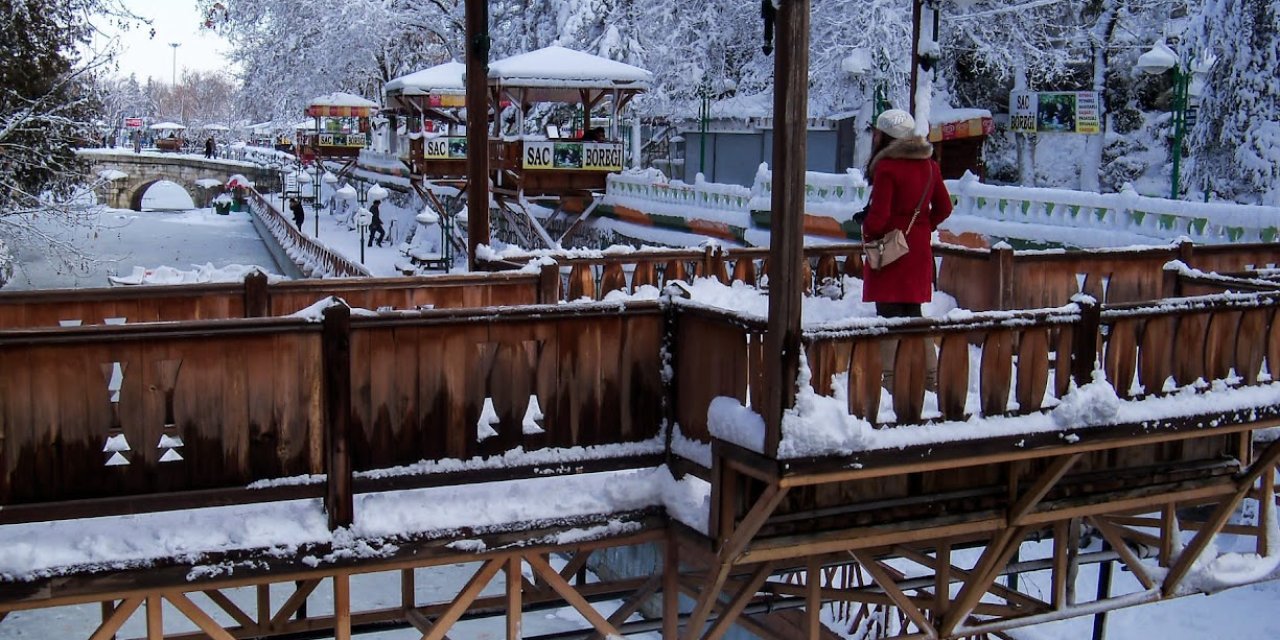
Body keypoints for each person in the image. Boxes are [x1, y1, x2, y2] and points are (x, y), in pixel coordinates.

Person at [860, 109, 952, 393]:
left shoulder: (887, 167)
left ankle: (887, 381)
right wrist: (922, 227)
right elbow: (945, 208)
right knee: (914, 312)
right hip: (918, 249)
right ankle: (929, 377)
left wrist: (868, 230)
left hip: (892, 250)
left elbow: (879, 218)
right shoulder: (929, 166)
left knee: (889, 315)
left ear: (885, 136)